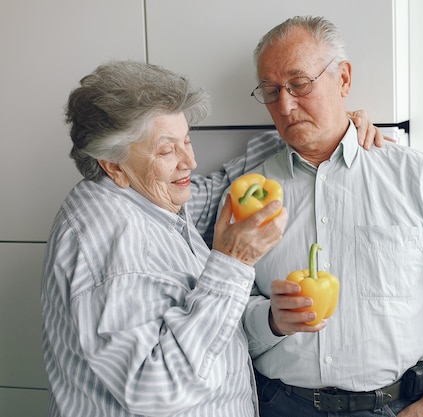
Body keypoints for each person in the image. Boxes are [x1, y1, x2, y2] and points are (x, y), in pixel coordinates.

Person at [40, 60, 383, 417]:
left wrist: (330, 127)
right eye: (167, 149)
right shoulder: (114, 240)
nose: (189, 161)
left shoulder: (148, 195)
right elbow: (160, 388)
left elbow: (225, 183)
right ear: (112, 164)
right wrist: (233, 261)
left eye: (187, 140)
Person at [240, 16, 423, 417]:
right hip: (280, 405)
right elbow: (224, 311)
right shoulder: (250, 191)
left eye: (300, 84)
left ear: (343, 79)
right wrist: (271, 321)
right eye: (271, 91)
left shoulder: (415, 176)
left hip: (400, 405)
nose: (286, 105)